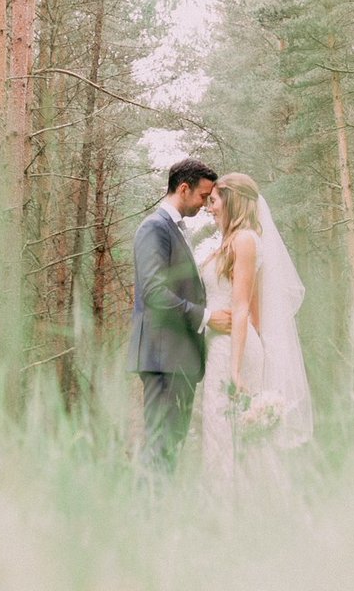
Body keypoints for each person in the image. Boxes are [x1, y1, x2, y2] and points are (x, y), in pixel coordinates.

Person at [197, 172, 313, 480]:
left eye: (214, 201)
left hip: (233, 349)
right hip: (219, 346)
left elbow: (242, 306)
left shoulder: (246, 240)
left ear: (232, 201)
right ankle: (226, 511)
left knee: (231, 431)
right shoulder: (228, 242)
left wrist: (236, 368)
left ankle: (247, 511)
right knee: (218, 428)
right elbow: (256, 307)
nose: (210, 208)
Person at [127, 158, 231, 475]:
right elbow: (155, 293)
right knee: (160, 447)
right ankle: (148, 518)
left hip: (178, 359)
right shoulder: (154, 228)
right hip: (163, 358)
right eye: (202, 196)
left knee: (170, 448)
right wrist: (206, 317)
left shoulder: (173, 229)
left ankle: (160, 517)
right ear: (183, 188)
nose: (205, 204)